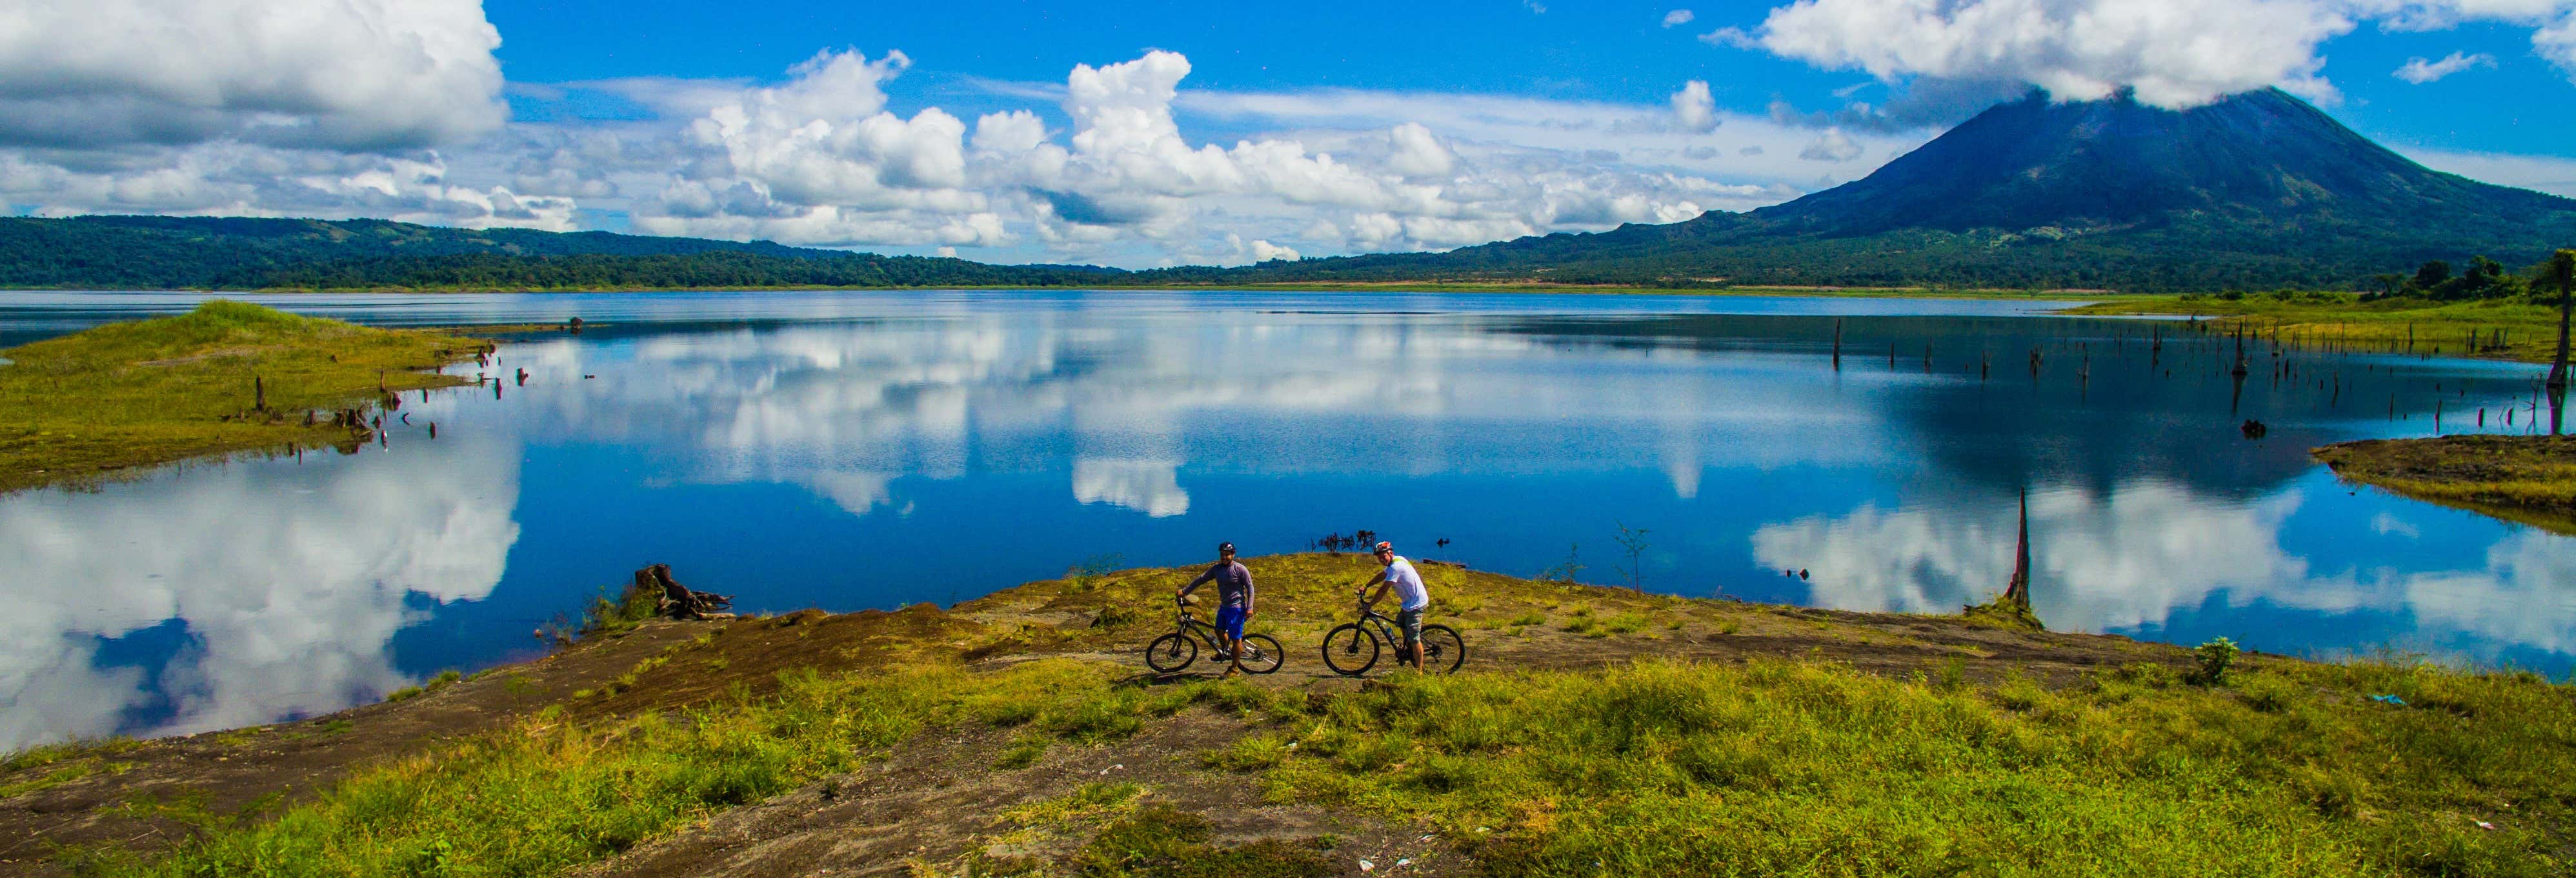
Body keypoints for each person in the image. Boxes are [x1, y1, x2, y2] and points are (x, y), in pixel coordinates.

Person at [1179, 541, 1256, 675]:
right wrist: (1185, 591)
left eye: (1227, 555)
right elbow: (1201, 580)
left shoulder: (1240, 569)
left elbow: (1250, 587)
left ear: (1233, 555)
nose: (1224, 557)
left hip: (1236, 609)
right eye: (1222, 555)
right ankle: (1225, 651)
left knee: (1236, 638)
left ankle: (1235, 669)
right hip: (1224, 607)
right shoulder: (1217, 569)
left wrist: (1249, 608)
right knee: (1219, 631)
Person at [1359, 541, 1432, 669]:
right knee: (1400, 623)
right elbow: (1382, 575)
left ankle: (1420, 672)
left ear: (1391, 553)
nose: (1382, 559)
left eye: (1383, 556)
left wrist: (1369, 605)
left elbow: (1383, 590)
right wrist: (1367, 585)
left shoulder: (1396, 567)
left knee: (1414, 639)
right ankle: (1409, 650)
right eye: (1379, 557)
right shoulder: (1396, 561)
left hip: (1416, 604)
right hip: (1408, 603)